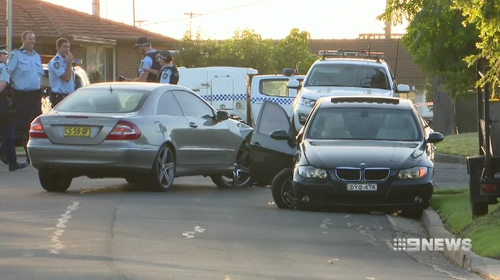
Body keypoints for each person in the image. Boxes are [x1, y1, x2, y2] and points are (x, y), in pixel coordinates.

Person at [6, 30, 44, 164]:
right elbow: (7, 71)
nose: (32, 41)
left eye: (33, 39)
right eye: (29, 39)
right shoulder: (16, 55)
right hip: (21, 96)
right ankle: (6, 150)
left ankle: (30, 156)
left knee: (33, 126)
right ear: (23, 40)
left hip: (34, 96)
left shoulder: (36, 56)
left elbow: (39, 76)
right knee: (20, 125)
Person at [0, 46, 28, 171]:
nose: (6, 57)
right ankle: (12, 162)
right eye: (4, 54)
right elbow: (2, 85)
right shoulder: (2, 68)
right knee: (9, 134)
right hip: (3, 107)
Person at [48, 38, 75, 107]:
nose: (67, 49)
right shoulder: (56, 62)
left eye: (68, 47)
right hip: (59, 97)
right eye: (64, 47)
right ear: (58, 48)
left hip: (69, 95)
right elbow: (66, 78)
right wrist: (69, 63)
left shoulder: (67, 60)